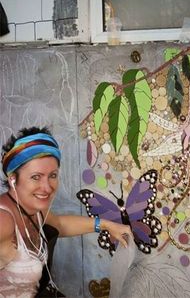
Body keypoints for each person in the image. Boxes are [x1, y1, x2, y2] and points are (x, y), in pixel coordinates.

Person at [0, 126, 132, 297]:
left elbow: (60, 225)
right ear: (13, 179)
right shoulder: (4, 220)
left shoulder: (33, 208)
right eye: (35, 177)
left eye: (52, 175)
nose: (47, 187)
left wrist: (106, 225)